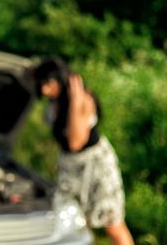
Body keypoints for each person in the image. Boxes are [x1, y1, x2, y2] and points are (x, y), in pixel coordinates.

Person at [32, 57, 134, 245]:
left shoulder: (84, 99)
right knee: (73, 220)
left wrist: (75, 103)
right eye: (41, 85)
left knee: (112, 223)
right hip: (70, 166)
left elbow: (75, 142)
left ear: (60, 79)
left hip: (95, 165)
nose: (44, 90)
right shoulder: (53, 104)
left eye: (48, 84)